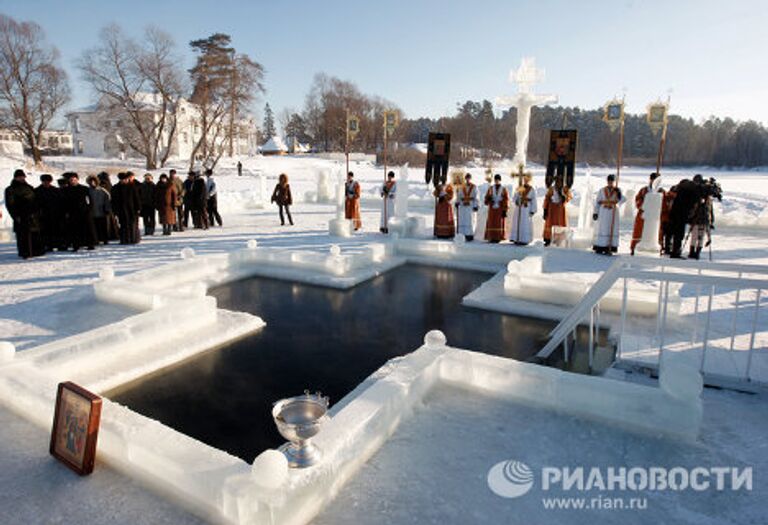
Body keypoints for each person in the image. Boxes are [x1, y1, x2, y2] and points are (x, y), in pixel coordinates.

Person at [4, 169, 44, 258]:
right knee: (23, 235)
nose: (22, 178)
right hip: (21, 215)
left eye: (23, 177)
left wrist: (38, 211)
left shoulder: (29, 187)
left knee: (34, 234)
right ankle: (25, 252)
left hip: (33, 215)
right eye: (19, 177)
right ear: (15, 178)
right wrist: (15, 216)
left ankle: (36, 251)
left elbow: (35, 200)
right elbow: (10, 204)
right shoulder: (10, 189)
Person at [61, 172, 96, 251]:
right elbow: (63, 203)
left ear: (77, 180)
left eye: (74, 179)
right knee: (74, 230)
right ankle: (75, 245)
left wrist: (89, 209)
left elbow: (90, 201)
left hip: (84, 212)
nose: (73, 181)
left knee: (87, 229)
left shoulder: (84, 189)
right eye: (71, 180)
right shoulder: (65, 190)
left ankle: (90, 244)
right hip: (72, 213)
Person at [630, 172, 664, 255]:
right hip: (644, 214)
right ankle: (635, 247)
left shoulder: (661, 191)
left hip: (656, 216)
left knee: (656, 231)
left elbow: (664, 203)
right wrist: (645, 206)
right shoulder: (644, 190)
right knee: (640, 230)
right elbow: (638, 200)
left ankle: (655, 248)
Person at [592, 174, 625, 255]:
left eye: (612, 181)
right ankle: (600, 246)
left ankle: (610, 246)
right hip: (603, 211)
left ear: (614, 182)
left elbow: (623, 200)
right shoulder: (602, 190)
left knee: (611, 228)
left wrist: (619, 194)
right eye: (609, 181)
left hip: (613, 211)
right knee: (603, 228)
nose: (610, 182)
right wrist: (595, 212)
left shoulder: (617, 190)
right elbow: (597, 201)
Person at [35, 174, 64, 251]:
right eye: (44, 181)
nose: (46, 183)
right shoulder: (37, 191)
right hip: (43, 215)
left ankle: (58, 244)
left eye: (48, 181)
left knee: (57, 230)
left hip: (55, 214)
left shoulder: (55, 190)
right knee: (45, 231)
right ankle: (48, 245)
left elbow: (61, 202)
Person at [111, 172, 141, 244]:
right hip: (121, 210)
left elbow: (136, 198)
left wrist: (138, 208)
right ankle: (124, 239)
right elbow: (113, 200)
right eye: (122, 179)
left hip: (132, 210)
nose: (124, 181)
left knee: (132, 225)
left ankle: (133, 239)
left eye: (125, 179)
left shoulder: (132, 187)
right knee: (123, 225)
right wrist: (115, 210)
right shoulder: (115, 188)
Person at [542, 177, 572, 247]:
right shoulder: (551, 189)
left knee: (560, 223)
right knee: (550, 223)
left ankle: (559, 239)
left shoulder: (564, 189)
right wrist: (545, 210)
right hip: (551, 208)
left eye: (560, 181)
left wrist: (564, 198)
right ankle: (548, 239)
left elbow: (569, 197)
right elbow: (546, 198)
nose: (558, 183)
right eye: (557, 181)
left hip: (560, 208)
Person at [510, 173, 537, 245]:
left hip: (526, 208)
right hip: (519, 207)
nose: (526, 181)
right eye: (525, 180)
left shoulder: (532, 189)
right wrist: (517, 200)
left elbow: (534, 200)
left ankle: (524, 239)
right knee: (517, 222)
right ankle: (516, 238)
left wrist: (532, 210)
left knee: (525, 223)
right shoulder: (519, 187)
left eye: (527, 180)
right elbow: (515, 196)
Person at [87, 175, 111, 245]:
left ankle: (105, 239)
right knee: (94, 227)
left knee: (103, 227)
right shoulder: (88, 191)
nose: (92, 183)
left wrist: (107, 209)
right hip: (92, 212)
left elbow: (107, 200)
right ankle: (96, 239)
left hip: (102, 211)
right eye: (90, 182)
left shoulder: (102, 191)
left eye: (94, 181)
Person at [484, 174, 509, 243]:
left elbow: (506, 199)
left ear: (500, 180)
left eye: (498, 180)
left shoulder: (503, 189)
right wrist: (488, 199)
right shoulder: (491, 188)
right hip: (492, 207)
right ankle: (491, 236)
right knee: (491, 221)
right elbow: (487, 197)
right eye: (495, 180)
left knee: (499, 222)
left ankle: (498, 237)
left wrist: (505, 209)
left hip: (500, 208)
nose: (497, 181)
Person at [456, 172, 478, 241]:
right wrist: (457, 202)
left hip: (470, 205)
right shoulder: (461, 186)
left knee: (470, 220)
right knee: (463, 220)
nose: (468, 179)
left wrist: (476, 205)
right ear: (465, 179)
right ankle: (462, 234)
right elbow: (459, 196)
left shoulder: (474, 187)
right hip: (463, 205)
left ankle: (470, 235)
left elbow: (476, 196)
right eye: (466, 178)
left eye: (469, 178)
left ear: (470, 179)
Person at [97, 172, 119, 241]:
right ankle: (112, 234)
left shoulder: (103, 185)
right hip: (108, 206)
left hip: (105, 206)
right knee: (111, 221)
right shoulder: (109, 184)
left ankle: (107, 235)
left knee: (107, 221)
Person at [660, 184, 676, 255]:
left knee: (668, 235)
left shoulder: (672, 198)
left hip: (670, 219)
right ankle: (662, 247)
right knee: (663, 234)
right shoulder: (666, 197)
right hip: (665, 219)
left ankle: (667, 248)